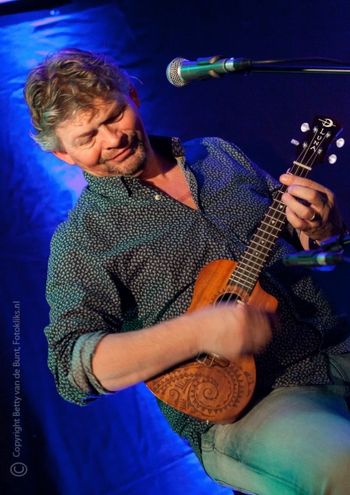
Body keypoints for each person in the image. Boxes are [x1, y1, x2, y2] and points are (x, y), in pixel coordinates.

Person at [24, 48, 350, 495]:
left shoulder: (217, 155)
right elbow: (70, 367)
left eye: (115, 115)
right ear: (63, 155)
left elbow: (308, 245)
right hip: (251, 407)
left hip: (337, 346)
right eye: (87, 137)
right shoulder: (84, 239)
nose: (112, 139)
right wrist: (197, 333)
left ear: (133, 95)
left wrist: (323, 227)